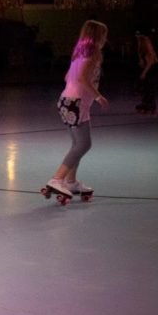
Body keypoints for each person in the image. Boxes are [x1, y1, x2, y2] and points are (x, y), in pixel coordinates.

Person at [44, 20, 109, 202]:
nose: (106, 39)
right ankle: (57, 178)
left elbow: (68, 77)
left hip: (66, 100)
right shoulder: (94, 53)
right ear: (98, 36)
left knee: (77, 145)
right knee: (84, 144)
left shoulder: (79, 53)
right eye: (104, 35)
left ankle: (71, 181)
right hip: (77, 103)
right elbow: (81, 78)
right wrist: (98, 96)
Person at [134, 30, 158, 115]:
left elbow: (150, 62)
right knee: (147, 88)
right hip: (149, 70)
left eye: (138, 40)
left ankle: (150, 106)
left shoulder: (146, 50)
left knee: (149, 89)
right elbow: (144, 62)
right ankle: (148, 105)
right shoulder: (142, 50)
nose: (137, 42)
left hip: (151, 71)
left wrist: (144, 72)